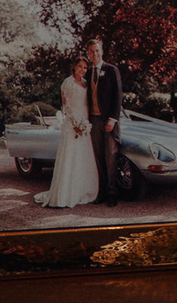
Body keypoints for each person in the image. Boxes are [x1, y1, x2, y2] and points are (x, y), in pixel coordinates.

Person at [34, 56, 99, 208]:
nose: (83, 70)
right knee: (71, 155)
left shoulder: (85, 83)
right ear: (74, 67)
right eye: (80, 66)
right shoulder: (67, 83)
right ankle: (67, 193)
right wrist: (75, 123)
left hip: (85, 122)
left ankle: (84, 191)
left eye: (85, 68)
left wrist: (84, 123)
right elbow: (66, 106)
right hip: (73, 124)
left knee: (84, 155)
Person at [85, 38, 123, 207]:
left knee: (111, 158)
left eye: (97, 50)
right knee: (98, 158)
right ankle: (101, 193)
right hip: (93, 121)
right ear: (88, 53)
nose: (95, 54)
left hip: (108, 121)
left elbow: (118, 96)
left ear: (102, 51)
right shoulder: (87, 73)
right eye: (91, 51)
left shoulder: (111, 70)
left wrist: (112, 119)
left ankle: (113, 194)